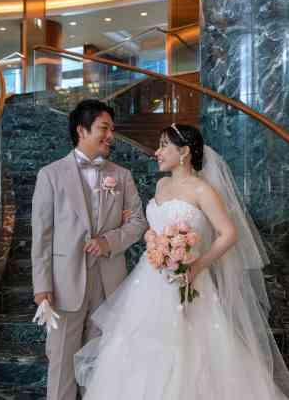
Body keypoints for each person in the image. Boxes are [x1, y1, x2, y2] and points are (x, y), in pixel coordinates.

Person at [74, 123, 289, 400]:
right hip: (148, 280)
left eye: (164, 145)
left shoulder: (202, 190)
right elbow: (155, 226)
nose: (157, 152)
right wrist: (154, 240)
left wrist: (196, 265)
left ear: (184, 152)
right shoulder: (161, 184)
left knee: (189, 353)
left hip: (188, 279)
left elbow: (229, 233)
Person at [31, 99, 147, 400]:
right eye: (103, 128)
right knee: (61, 363)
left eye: (112, 129)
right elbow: (41, 236)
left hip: (109, 284)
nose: (110, 136)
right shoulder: (50, 175)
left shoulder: (121, 176)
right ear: (82, 130)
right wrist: (42, 286)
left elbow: (138, 222)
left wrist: (109, 241)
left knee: (101, 365)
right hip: (64, 283)